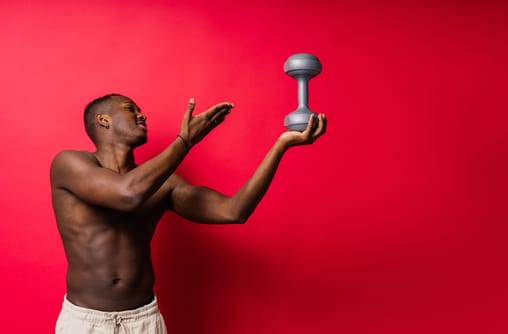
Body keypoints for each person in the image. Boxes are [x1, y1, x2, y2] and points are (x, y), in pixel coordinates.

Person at [51, 93, 327, 333]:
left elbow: (233, 210)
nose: (141, 114)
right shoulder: (70, 164)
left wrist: (280, 146)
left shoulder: (164, 185)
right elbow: (127, 195)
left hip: (143, 322)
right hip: (85, 323)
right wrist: (185, 141)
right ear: (104, 120)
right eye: (130, 108)